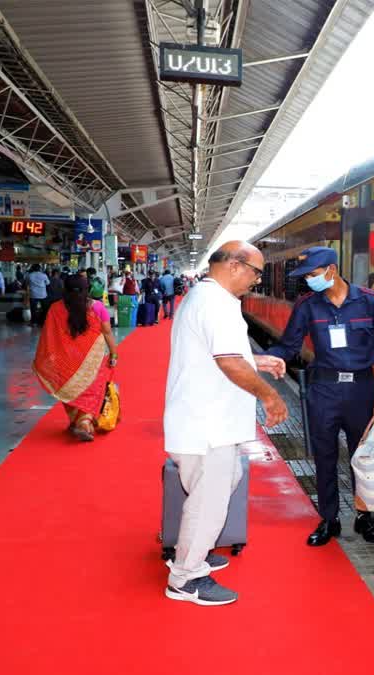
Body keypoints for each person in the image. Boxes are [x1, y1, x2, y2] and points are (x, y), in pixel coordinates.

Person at [163, 241, 288, 606]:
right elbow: (228, 361)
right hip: (208, 425)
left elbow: (221, 351)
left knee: (224, 481)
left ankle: (192, 551)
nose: (257, 280)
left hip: (208, 421)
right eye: (256, 272)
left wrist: (257, 361)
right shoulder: (215, 303)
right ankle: (185, 578)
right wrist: (270, 395)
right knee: (209, 502)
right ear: (235, 265)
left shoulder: (208, 298)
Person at [263, 246, 374, 546]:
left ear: (331, 270)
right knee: (324, 456)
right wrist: (262, 359)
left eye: (312, 274)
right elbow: (289, 344)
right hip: (323, 388)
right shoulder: (308, 306)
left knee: (363, 456)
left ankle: (365, 517)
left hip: (362, 389)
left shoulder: (370, 302)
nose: (309, 281)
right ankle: (329, 519)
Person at [32, 276, 118, 442]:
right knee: (90, 390)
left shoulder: (56, 308)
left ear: (65, 290)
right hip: (92, 359)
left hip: (66, 359)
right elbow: (107, 332)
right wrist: (114, 353)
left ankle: (76, 420)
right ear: (87, 289)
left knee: (69, 389)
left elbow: (49, 335)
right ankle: (84, 422)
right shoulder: (97, 307)